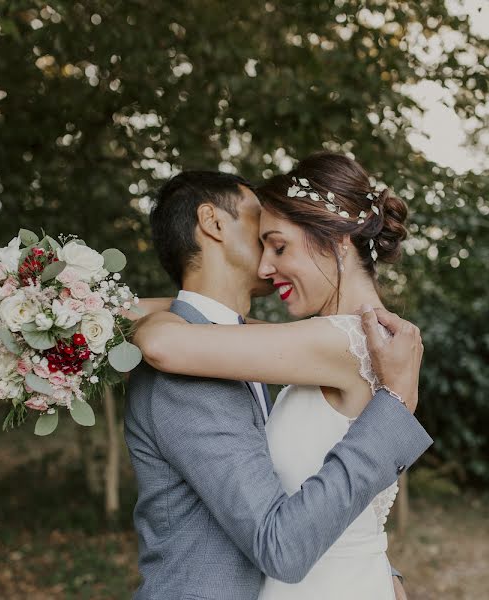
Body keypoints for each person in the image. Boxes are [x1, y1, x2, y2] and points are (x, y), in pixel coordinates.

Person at [126, 155, 432, 600]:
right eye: (261, 242)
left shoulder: (339, 341)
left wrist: (146, 322)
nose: (267, 265)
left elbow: (164, 346)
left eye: (279, 246)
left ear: (335, 241)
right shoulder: (328, 342)